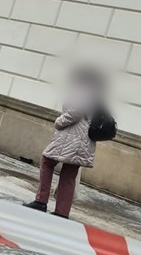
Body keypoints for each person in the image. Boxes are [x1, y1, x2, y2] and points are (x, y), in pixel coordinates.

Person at [24, 67, 105, 218]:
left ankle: (41, 201)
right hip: (83, 140)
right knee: (69, 174)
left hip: (72, 136)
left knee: (47, 161)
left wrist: (59, 121)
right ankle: (62, 212)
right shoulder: (96, 94)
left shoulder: (84, 90)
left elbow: (76, 111)